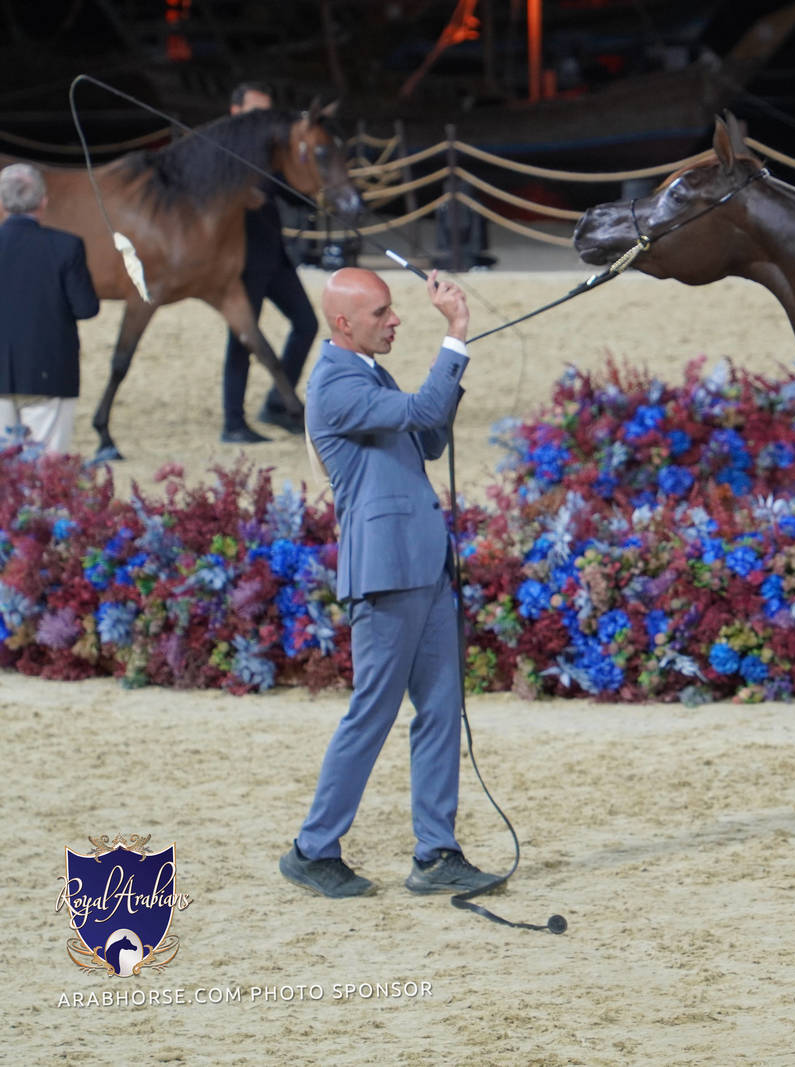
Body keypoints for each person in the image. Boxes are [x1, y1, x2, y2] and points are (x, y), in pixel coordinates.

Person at [280, 266, 497, 898]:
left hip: (420, 562)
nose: (395, 319)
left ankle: (437, 851)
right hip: (385, 570)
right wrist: (455, 333)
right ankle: (312, 849)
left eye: (392, 309)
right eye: (381, 313)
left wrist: (445, 372)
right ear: (343, 323)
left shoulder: (371, 373)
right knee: (371, 712)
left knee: (441, 709)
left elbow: (428, 437)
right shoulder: (335, 383)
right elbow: (424, 411)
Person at [220, 82, 318, 444]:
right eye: (255, 113)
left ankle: (278, 403)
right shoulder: (222, 150)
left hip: (274, 255)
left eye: (267, 114)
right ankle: (233, 423)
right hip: (241, 260)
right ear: (235, 112)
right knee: (243, 338)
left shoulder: (270, 151)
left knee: (306, 323)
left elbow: (292, 193)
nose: (263, 120)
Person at [0, 162, 100, 453]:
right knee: (45, 472)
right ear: (43, 201)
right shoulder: (67, 246)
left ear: (2, 204)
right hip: (48, 372)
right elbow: (86, 308)